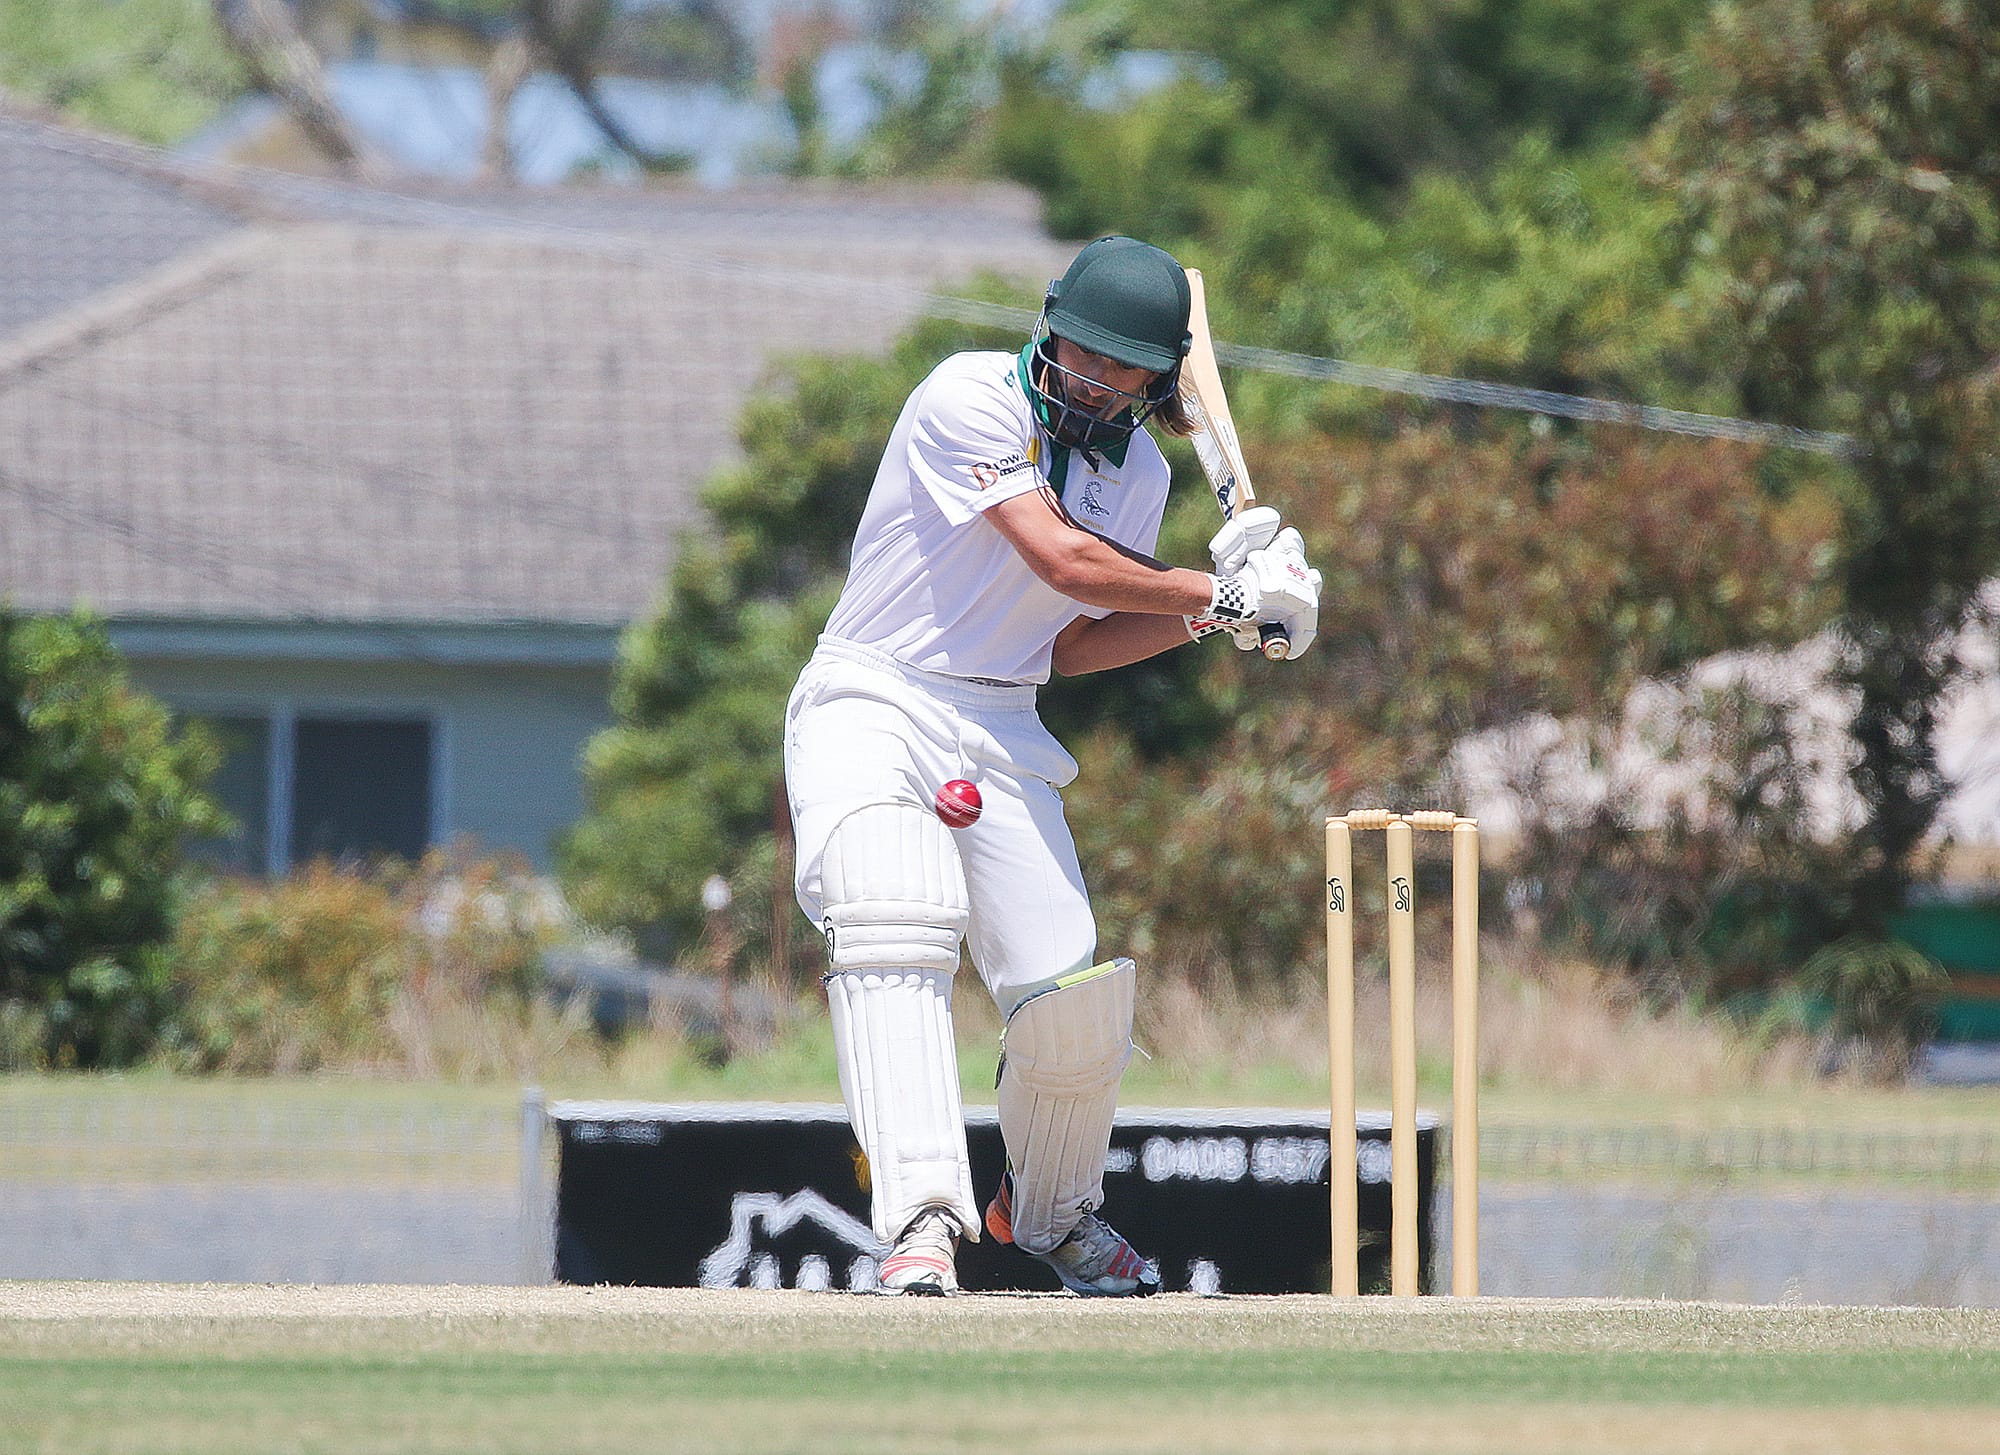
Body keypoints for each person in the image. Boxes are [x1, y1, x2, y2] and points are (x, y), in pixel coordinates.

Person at [782, 235, 1321, 1296]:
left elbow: (1071, 641)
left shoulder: (1140, 473)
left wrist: (1225, 619)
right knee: (896, 912)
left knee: (1069, 993)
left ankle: (1053, 1215)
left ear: (1158, 381)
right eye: (1082, 351)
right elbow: (1061, 558)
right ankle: (921, 1224)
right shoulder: (968, 397)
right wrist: (1219, 591)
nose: (1094, 378)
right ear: (1049, 328)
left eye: (1123, 366)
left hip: (1002, 714)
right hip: (874, 692)